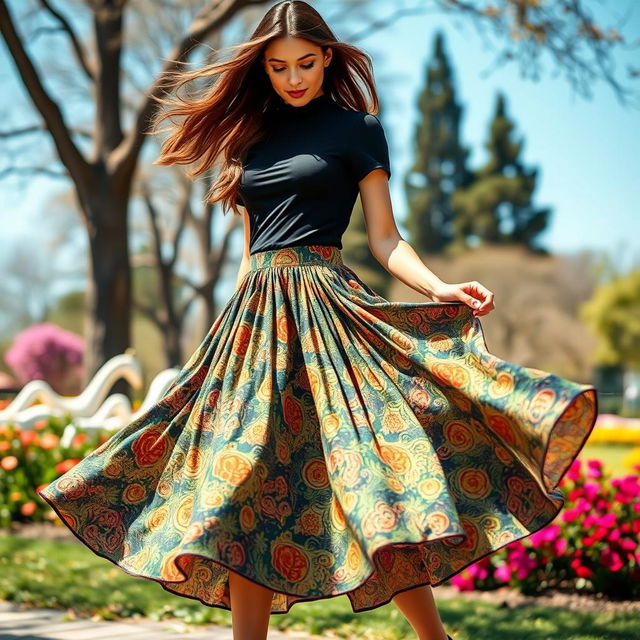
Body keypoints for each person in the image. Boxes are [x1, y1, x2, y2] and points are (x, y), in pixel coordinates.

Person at [36, 2, 598, 640]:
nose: (293, 78)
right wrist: (231, 334)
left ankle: (434, 638)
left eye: (305, 63)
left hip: (330, 313)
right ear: (263, 70)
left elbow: (385, 238)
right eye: (278, 68)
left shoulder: (358, 130)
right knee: (244, 477)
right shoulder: (247, 136)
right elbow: (254, 249)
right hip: (255, 322)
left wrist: (441, 287)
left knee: (372, 475)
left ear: (328, 57)